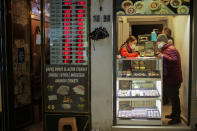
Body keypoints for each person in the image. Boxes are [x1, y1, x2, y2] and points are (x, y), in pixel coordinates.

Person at [156, 34, 183, 125]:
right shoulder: (166, 49)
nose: (158, 43)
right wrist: (161, 54)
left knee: (175, 99)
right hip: (170, 78)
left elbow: (173, 60)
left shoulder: (171, 49)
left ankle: (177, 118)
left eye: (159, 42)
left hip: (173, 79)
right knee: (172, 97)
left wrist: (162, 56)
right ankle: (173, 114)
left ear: (163, 41)